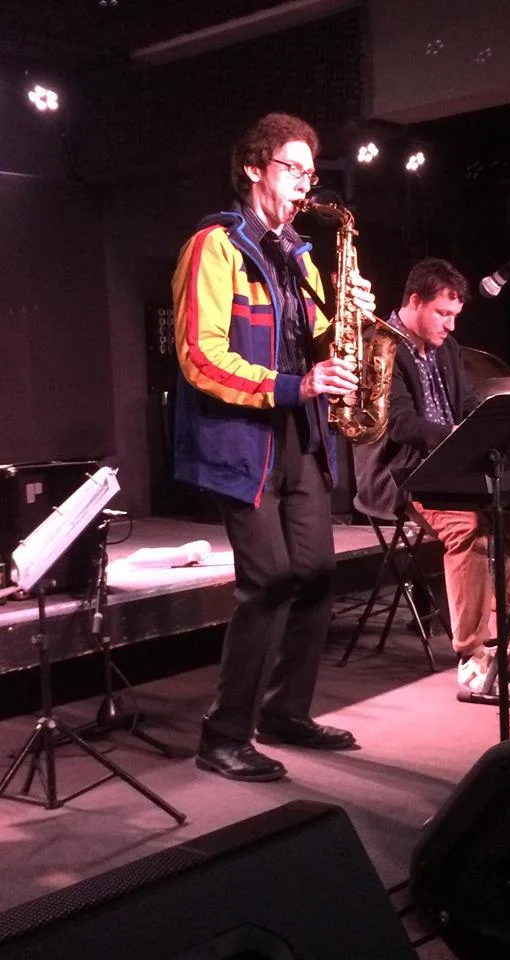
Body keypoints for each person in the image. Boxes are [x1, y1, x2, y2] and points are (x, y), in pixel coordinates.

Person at [172, 112, 376, 782]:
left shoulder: (298, 252)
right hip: (242, 441)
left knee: (315, 572)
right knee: (267, 581)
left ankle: (286, 711)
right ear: (254, 167)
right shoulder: (215, 246)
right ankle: (223, 734)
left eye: (310, 173)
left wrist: (351, 315)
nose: (304, 184)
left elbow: (319, 337)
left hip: (301, 437)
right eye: (292, 169)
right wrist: (295, 384)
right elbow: (201, 356)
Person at [353, 258, 510, 693]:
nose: (451, 325)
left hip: (452, 468)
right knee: (468, 530)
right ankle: (473, 651)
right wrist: (459, 437)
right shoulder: (380, 345)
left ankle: (500, 630)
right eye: (443, 313)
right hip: (403, 474)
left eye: (455, 315)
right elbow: (400, 424)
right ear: (414, 301)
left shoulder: (448, 348)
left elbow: (468, 402)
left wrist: (495, 422)